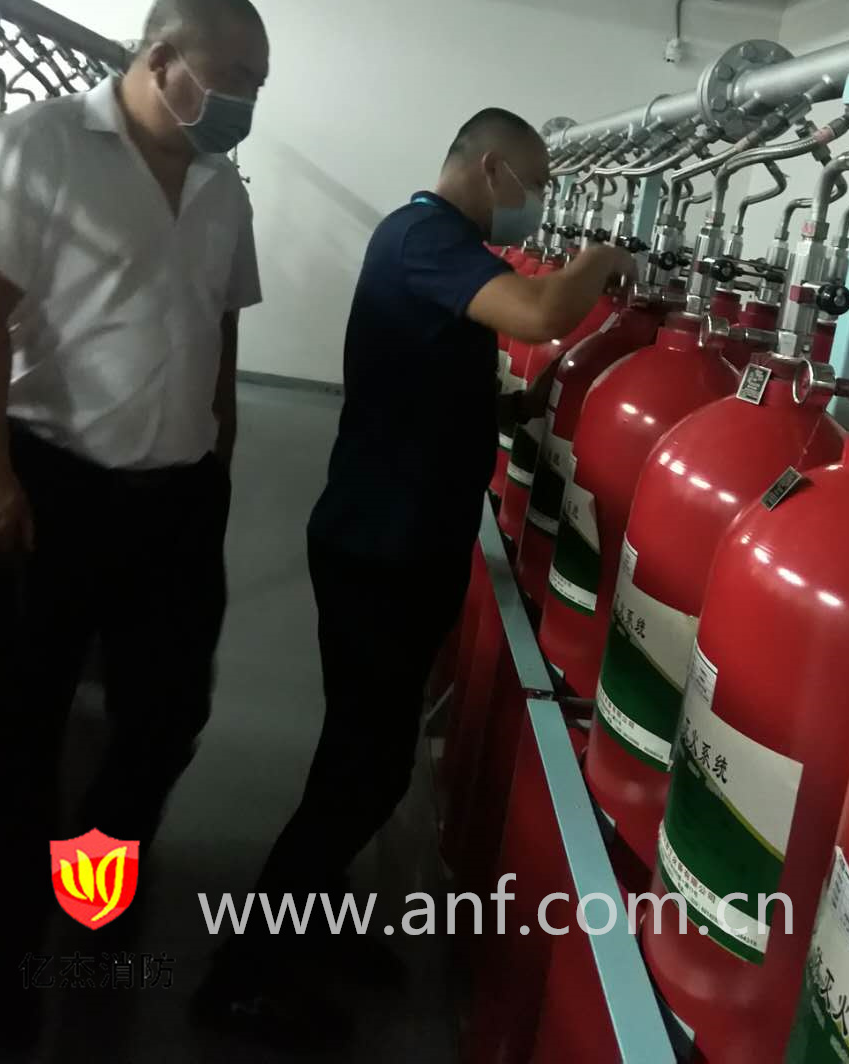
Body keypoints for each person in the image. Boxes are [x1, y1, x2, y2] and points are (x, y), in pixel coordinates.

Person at [195, 106, 630, 1044]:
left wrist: (523, 409)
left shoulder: (436, 246)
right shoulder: (425, 237)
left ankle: (314, 924)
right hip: (378, 548)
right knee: (360, 770)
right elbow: (542, 313)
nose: (534, 202)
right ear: (491, 167)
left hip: (404, 539)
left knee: (372, 759)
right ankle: (243, 975)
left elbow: (442, 381)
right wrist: (605, 258)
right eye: (533, 183)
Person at [0, 0, 268, 1051]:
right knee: (14, 733)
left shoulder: (224, 187)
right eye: (234, 78)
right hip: (50, 484)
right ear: (160, 58)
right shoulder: (39, 145)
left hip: (175, 499)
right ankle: (7, 974)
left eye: (260, 85)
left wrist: (221, 443)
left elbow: (221, 320)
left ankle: (91, 896)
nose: (246, 102)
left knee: (166, 716)